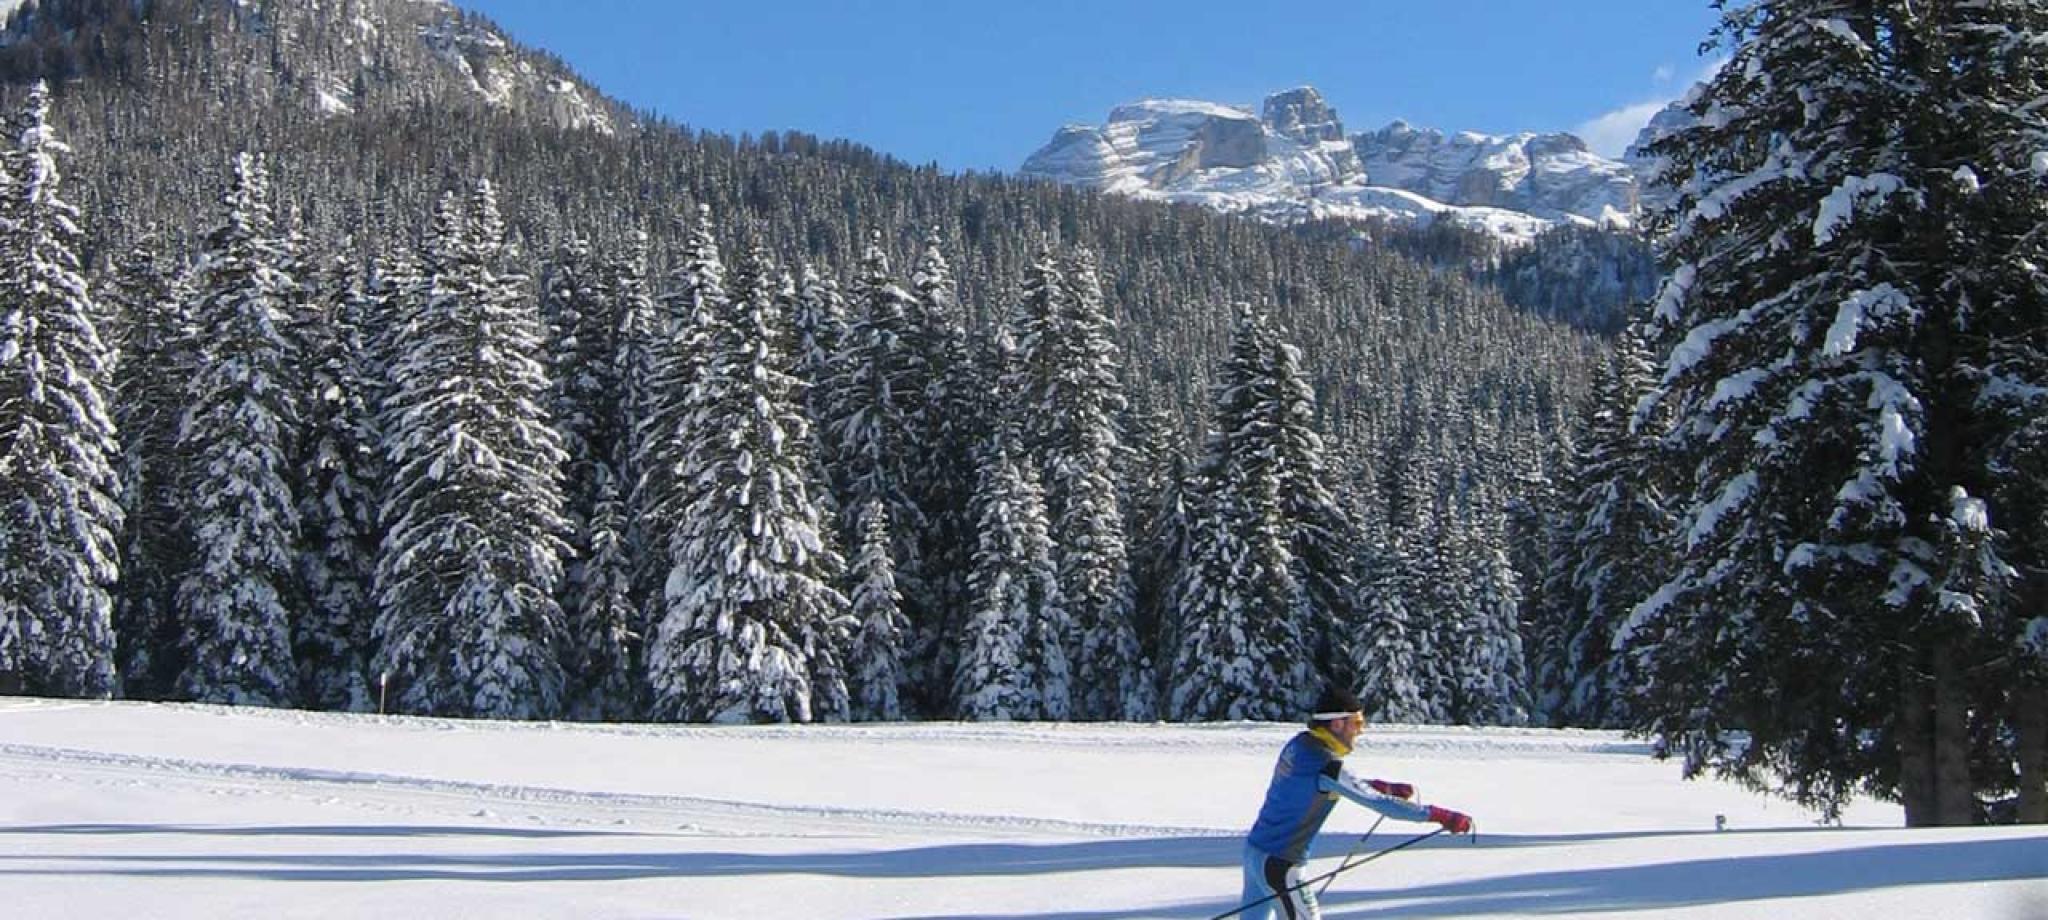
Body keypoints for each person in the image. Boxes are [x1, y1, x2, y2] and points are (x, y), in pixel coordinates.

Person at [1237, 686, 1473, 920]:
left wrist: (1383, 786)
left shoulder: (1300, 744)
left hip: (1255, 852)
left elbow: (1318, 784)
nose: (1360, 732)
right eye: (1357, 723)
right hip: (1280, 864)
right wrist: (1441, 816)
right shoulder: (1327, 763)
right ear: (1337, 724)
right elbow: (1379, 803)